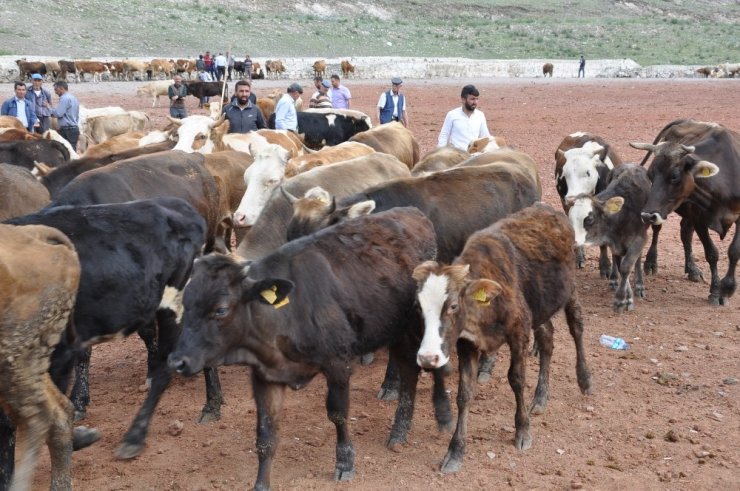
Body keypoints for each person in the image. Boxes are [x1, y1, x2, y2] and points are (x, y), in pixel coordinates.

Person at [437, 84, 490, 151]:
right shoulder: (452, 114)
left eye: (477, 99)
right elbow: (444, 136)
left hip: (473, 155)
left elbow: (485, 137)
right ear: (463, 99)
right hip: (456, 155)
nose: (475, 102)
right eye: (472, 99)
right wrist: (441, 153)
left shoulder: (480, 115)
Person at [48, 81, 80, 150]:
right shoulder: (73, 98)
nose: (55, 92)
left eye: (56, 90)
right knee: (72, 150)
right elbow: (77, 115)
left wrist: (49, 108)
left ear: (61, 88)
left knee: (65, 150)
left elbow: (58, 114)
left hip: (66, 130)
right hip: (74, 129)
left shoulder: (64, 98)